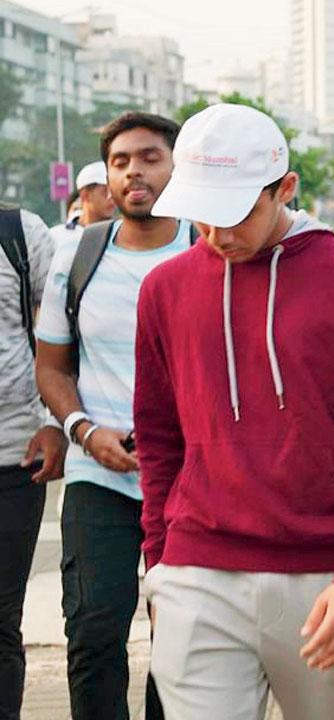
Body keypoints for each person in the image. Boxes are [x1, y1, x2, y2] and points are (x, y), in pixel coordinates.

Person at [133, 103, 334, 719]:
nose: (217, 233)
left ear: (284, 189)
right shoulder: (163, 290)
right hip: (195, 573)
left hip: (323, 575)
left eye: (235, 213)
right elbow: (157, 438)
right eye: (201, 212)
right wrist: (160, 566)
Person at [35, 111, 183, 720]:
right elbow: (52, 366)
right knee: (93, 636)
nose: (134, 173)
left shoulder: (211, 249)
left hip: (190, 482)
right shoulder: (77, 256)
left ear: (177, 167)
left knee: (180, 643)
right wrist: (84, 431)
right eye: (120, 162)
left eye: (149, 158)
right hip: (99, 476)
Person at [0, 204, 65, 720]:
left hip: (13, 456)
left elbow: (67, 329)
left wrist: (54, 420)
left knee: (1, 619)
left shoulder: (20, 233)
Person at [47, 162, 115, 249]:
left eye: (113, 191)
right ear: (85, 195)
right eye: (105, 191)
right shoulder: (57, 237)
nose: (111, 196)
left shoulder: (120, 237)